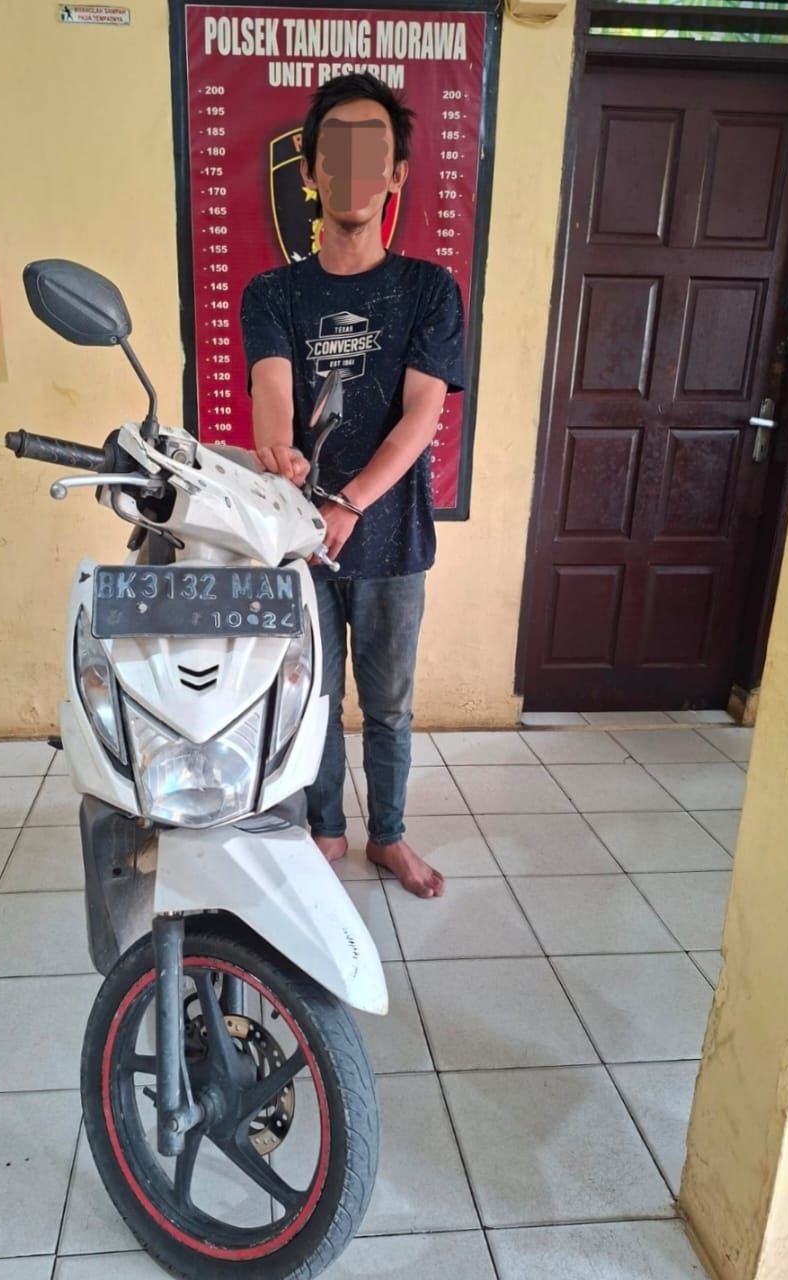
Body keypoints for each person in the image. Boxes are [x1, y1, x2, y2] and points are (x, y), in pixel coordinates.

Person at [240, 73, 465, 899]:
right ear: (309, 171)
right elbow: (271, 389)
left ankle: (389, 837)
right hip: (301, 542)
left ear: (396, 173)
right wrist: (280, 453)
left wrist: (348, 502)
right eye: (335, 152)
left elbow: (422, 415)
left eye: (373, 152)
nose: (353, 170)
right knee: (315, 699)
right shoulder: (272, 293)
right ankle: (327, 829)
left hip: (393, 541)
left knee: (390, 707)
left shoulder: (430, 290)